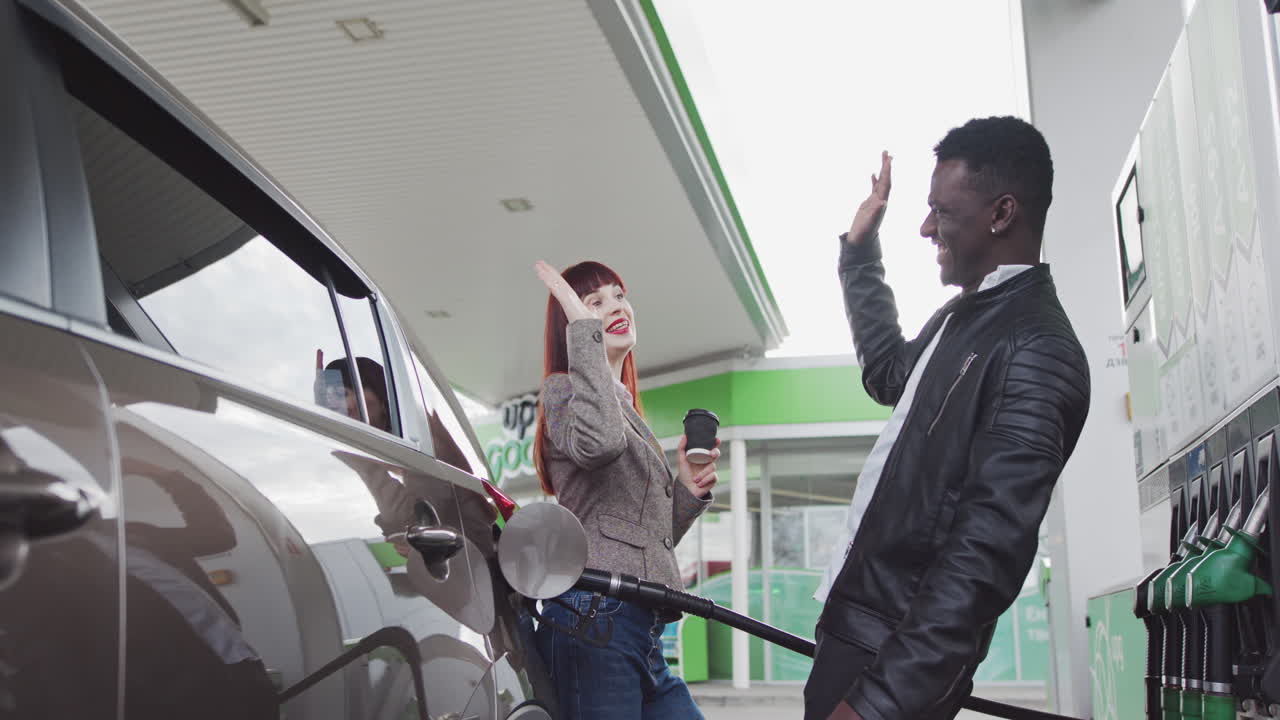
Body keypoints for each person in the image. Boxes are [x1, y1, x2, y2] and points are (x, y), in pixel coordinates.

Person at [806, 117, 1091, 720]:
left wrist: (877, 703)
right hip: (860, 643)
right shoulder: (964, 317)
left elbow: (982, 563)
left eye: (941, 210)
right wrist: (859, 255)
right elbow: (890, 374)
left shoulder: (1036, 350)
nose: (926, 226)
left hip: (888, 671)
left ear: (1001, 212)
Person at [531, 259, 717, 720]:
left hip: (636, 623)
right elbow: (600, 445)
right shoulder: (563, 391)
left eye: (618, 294)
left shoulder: (625, 408)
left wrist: (686, 492)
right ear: (574, 327)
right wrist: (585, 331)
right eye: (594, 302)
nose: (614, 307)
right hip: (592, 616)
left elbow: (646, 538)